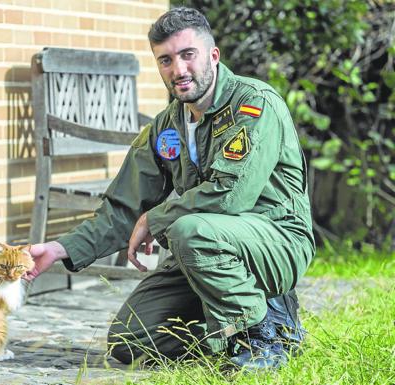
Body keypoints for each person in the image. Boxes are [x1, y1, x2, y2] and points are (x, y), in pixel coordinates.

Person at [27, 7, 314, 370]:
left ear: (212, 55)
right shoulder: (167, 125)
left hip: (277, 241)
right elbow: (124, 207)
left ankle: (259, 338)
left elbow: (231, 194)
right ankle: (236, 329)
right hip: (210, 246)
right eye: (165, 60)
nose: (178, 70)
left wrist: (157, 216)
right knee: (130, 339)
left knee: (187, 229)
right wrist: (60, 247)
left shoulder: (254, 103)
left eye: (187, 55)